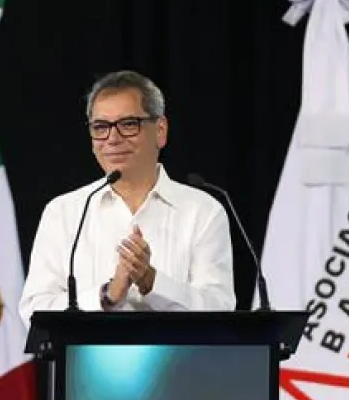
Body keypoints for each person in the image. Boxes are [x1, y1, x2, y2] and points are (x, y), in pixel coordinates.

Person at [18, 70, 236, 323]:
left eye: (128, 124)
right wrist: (107, 295)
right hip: (86, 362)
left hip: (182, 362)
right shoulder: (64, 212)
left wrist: (152, 282)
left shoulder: (203, 211)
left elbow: (220, 310)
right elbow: (34, 312)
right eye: (101, 127)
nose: (112, 138)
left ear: (160, 131)